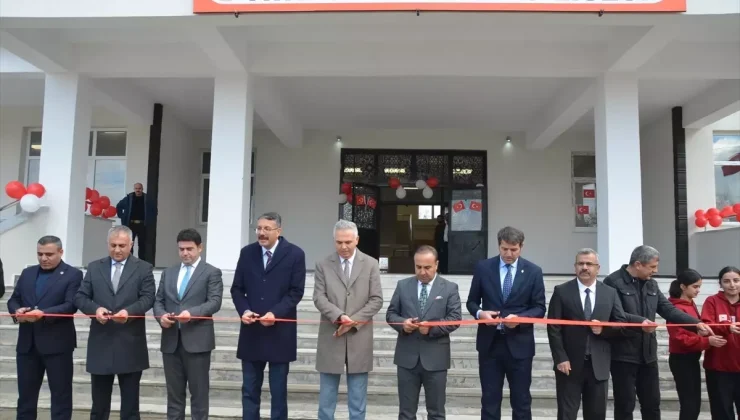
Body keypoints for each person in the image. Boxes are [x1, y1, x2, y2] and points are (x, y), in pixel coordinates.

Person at [604, 245, 714, 420]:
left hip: (648, 354)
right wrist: (640, 322)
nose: (656, 271)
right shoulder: (613, 282)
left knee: (652, 404)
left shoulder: (651, 284)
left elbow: (668, 310)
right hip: (623, 354)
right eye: (652, 267)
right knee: (625, 404)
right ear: (638, 264)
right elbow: (615, 313)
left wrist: (696, 324)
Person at [547, 249, 645, 420]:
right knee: (566, 414)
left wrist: (604, 330)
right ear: (575, 266)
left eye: (589, 264)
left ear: (597, 268)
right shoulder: (561, 291)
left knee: (596, 414)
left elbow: (621, 323)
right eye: (580, 263)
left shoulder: (609, 292)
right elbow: (554, 327)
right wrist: (560, 357)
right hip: (569, 365)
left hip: (599, 365)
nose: (584, 267)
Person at [74, 225, 156, 420]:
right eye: (113, 245)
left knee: (130, 407)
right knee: (99, 406)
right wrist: (95, 310)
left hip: (130, 343)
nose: (117, 250)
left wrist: (129, 312)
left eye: (122, 245)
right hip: (101, 342)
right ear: (107, 244)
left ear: (131, 245)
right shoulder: (95, 267)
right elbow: (80, 297)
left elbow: (148, 298)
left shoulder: (143, 268)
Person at [231, 212, 306, 420]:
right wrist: (244, 310)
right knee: (249, 391)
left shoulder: (295, 254)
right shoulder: (247, 253)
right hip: (251, 332)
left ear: (278, 231)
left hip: (280, 333)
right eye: (259, 228)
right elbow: (237, 289)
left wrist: (276, 313)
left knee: (278, 393)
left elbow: (295, 292)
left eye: (266, 229)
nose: (261, 233)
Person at [466, 226, 546, 420]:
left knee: (521, 402)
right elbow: (471, 301)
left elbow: (539, 308)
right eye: (504, 249)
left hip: (520, 346)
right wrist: (480, 313)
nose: (509, 254)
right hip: (490, 345)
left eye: (514, 249)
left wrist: (520, 320)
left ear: (521, 247)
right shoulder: (483, 268)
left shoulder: (533, 271)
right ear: (499, 246)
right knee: (490, 401)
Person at [312, 219, 383, 420]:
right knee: (326, 400)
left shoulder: (370, 264)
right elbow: (319, 297)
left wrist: (353, 321)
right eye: (339, 242)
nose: (343, 247)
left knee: (358, 400)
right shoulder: (323, 264)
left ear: (357, 240)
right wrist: (339, 317)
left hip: (358, 336)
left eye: (348, 242)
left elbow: (376, 299)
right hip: (331, 335)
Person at [7, 236, 83, 420]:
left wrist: (44, 313)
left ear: (60, 252)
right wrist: (17, 310)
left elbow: (70, 305)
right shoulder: (28, 273)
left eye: (49, 254)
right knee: (25, 398)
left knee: (61, 397)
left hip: (57, 345)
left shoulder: (73, 274)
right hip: (27, 345)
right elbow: (13, 299)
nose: (43, 258)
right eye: (40, 254)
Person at [153, 228, 223, 420]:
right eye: (181, 249)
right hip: (171, 341)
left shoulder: (211, 272)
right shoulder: (169, 273)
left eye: (189, 249)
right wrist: (161, 317)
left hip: (197, 342)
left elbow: (214, 302)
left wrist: (191, 314)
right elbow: (158, 301)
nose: (185, 253)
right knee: (174, 396)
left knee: (199, 396)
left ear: (200, 248)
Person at [386, 245, 462, 420]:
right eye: (418, 267)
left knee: (436, 412)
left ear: (436, 265)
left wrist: (432, 328)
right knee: (406, 413)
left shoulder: (449, 288)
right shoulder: (403, 285)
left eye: (427, 267)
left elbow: (455, 318)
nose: (422, 272)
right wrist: (402, 324)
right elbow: (391, 314)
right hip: (407, 358)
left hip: (436, 359)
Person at [667, 269, 718, 420]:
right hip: (681, 358)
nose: (698, 290)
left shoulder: (690, 304)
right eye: (695, 287)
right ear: (683, 286)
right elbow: (679, 338)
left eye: (699, 286)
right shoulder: (675, 308)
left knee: (694, 401)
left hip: (691, 357)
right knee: (689, 402)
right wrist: (706, 341)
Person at [700, 266, 740, 420]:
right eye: (727, 281)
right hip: (718, 367)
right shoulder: (712, 301)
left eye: (736, 280)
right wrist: (727, 328)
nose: (732, 285)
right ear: (720, 284)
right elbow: (707, 324)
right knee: (721, 411)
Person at [115, 182, 157, 261]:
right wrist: (122, 217)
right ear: (134, 189)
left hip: (142, 225)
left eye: (139, 189)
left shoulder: (147, 198)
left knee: (142, 245)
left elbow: (154, 210)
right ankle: (130, 261)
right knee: (130, 244)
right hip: (131, 225)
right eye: (136, 189)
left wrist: (150, 221)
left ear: (142, 189)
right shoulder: (129, 198)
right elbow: (119, 206)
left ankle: (142, 262)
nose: (138, 190)